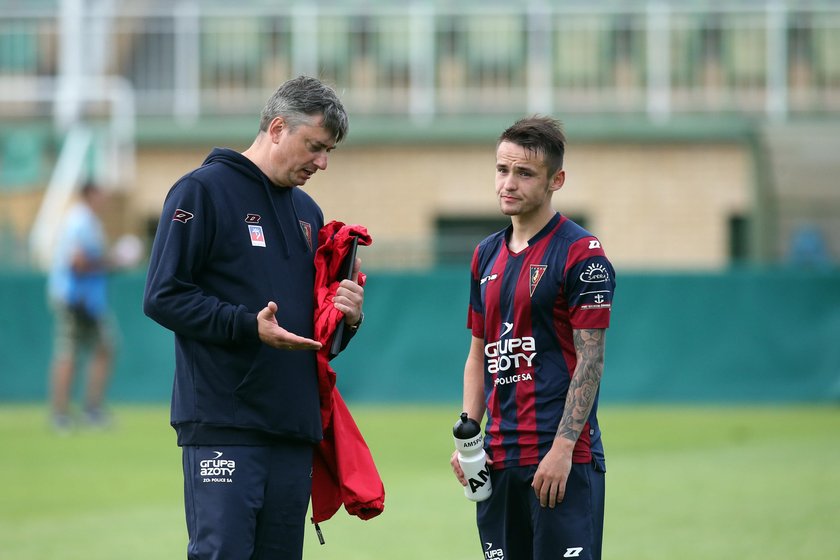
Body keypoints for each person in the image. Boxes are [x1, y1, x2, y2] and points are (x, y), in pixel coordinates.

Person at [142, 76, 365, 560]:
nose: (322, 162)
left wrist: (345, 317)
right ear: (278, 127)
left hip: (292, 427)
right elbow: (162, 295)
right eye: (315, 146)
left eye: (328, 152)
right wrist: (247, 325)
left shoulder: (308, 212)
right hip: (226, 422)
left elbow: (314, 337)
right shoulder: (201, 191)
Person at [450, 116, 616, 560]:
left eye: (525, 173)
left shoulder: (582, 253)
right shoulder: (484, 253)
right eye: (503, 170)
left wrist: (564, 449)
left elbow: (590, 361)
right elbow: (479, 355)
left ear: (555, 180)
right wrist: (468, 444)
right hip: (498, 462)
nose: (509, 183)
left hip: (558, 461)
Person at [47, 181, 117, 432]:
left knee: (103, 348)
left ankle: (90, 409)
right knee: (69, 353)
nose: (105, 199)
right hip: (75, 298)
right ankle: (61, 414)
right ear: (90, 194)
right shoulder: (79, 221)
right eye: (101, 194)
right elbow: (77, 262)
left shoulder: (89, 221)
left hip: (90, 299)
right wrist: (114, 261)